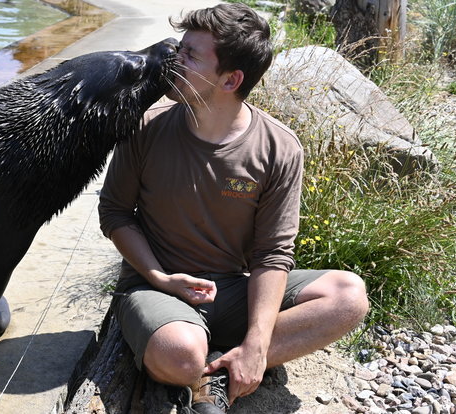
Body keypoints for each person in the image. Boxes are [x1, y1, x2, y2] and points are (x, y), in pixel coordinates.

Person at [97, 3, 369, 413]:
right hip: (156, 286)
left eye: (189, 55)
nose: (173, 61)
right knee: (181, 353)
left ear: (231, 80)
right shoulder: (147, 126)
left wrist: (258, 342)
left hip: (230, 290)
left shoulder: (279, 148)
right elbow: (114, 212)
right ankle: (205, 360)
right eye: (179, 49)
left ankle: (227, 370)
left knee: (349, 297)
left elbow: (272, 255)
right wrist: (159, 276)